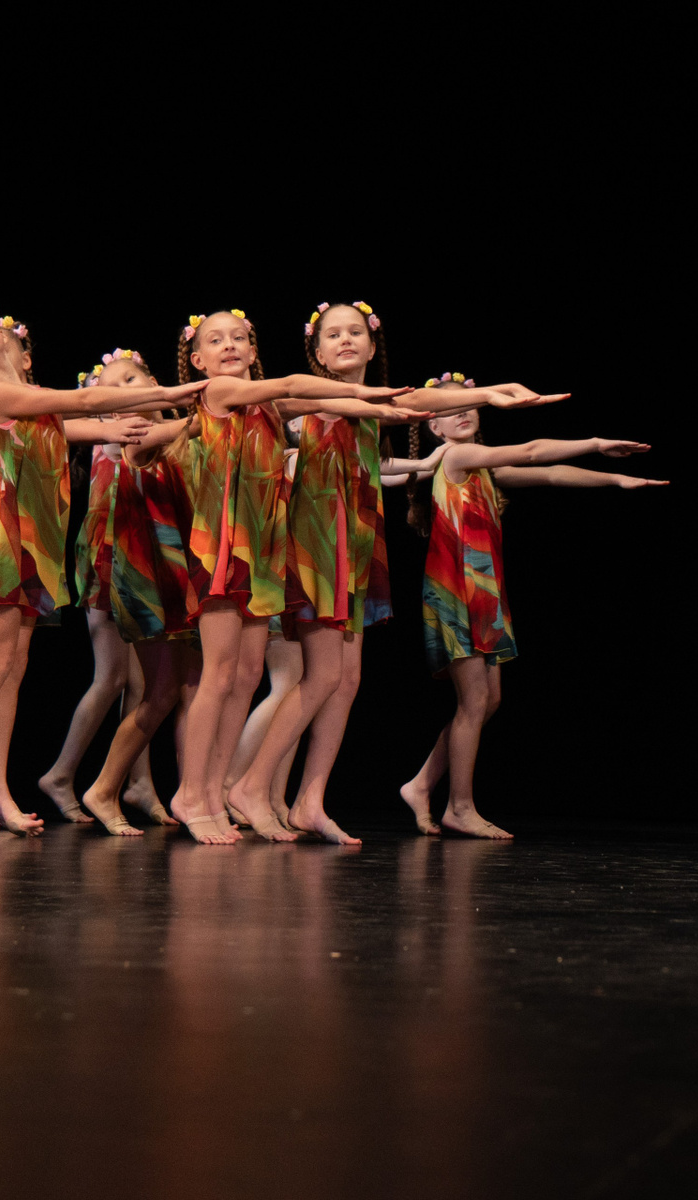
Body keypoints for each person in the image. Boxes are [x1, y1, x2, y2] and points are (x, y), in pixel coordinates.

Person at [220, 304, 563, 843]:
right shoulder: (316, 396)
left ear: (373, 344)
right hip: (316, 545)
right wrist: (483, 394)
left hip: (354, 545)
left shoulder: (373, 406)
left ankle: (310, 800)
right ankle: (250, 785)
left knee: (347, 680)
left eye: (355, 331)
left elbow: (407, 409)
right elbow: (404, 403)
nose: (345, 340)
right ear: (317, 350)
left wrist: (483, 398)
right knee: (321, 676)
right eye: (333, 334)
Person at [0, 300, 204, 837]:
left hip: (30, 540)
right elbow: (83, 400)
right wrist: (166, 394)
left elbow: (87, 426)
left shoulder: (34, 405)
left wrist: (141, 426)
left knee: (13, 666)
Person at [397, 397, 665, 838]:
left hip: (483, 591)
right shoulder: (457, 456)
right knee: (473, 702)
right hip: (456, 590)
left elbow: (551, 473)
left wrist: (615, 479)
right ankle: (459, 807)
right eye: (450, 409)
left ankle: (421, 784)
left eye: (469, 405)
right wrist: (596, 442)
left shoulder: (484, 468)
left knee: (489, 700)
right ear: (435, 428)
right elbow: (532, 451)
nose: (462, 412)